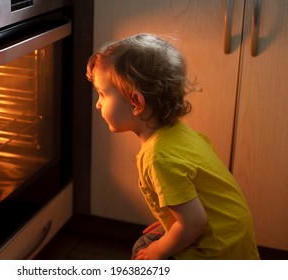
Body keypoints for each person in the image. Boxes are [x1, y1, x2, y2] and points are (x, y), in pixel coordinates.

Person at [86, 33, 260, 260]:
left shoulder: (160, 158)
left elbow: (195, 223)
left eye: (102, 94)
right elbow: (200, 199)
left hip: (215, 254)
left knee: (143, 251)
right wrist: (170, 221)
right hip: (234, 242)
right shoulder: (181, 135)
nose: (98, 103)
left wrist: (158, 250)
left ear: (136, 102)